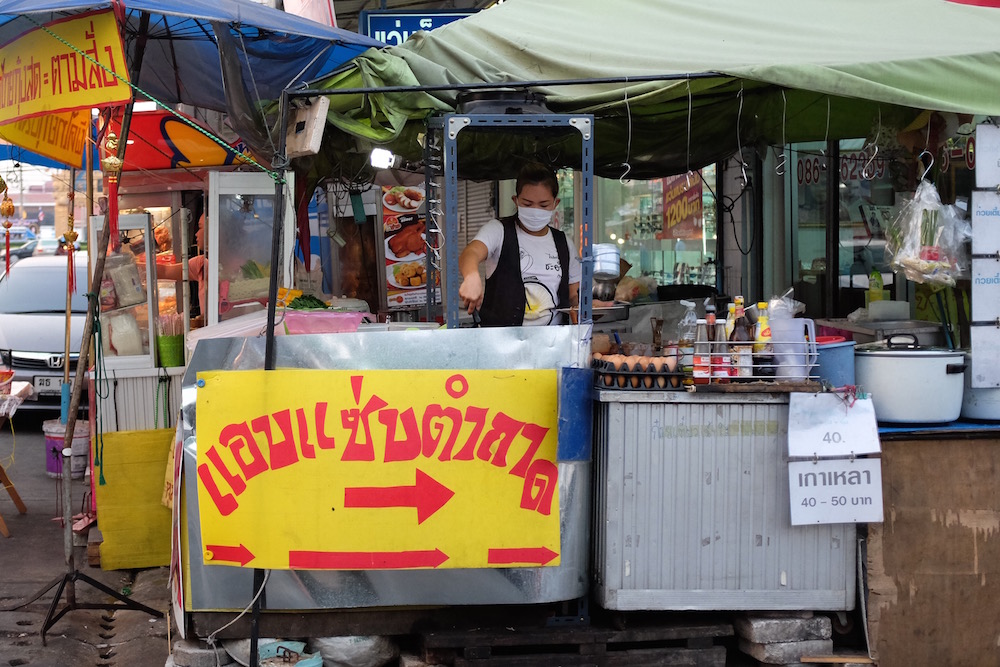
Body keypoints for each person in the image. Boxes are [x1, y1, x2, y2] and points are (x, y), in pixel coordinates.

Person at [458, 162, 581, 326]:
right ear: (516, 201)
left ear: (555, 203)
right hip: (502, 342)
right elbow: (471, 252)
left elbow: (573, 294)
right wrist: (471, 276)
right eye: (527, 204)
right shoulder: (499, 230)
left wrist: (585, 307)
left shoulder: (564, 243)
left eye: (543, 205)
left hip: (552, 343)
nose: (535, 210)